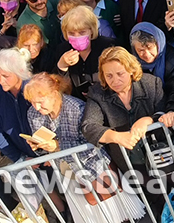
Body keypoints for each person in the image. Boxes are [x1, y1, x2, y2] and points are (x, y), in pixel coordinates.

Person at [24, 71, 147, 223]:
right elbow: (43, 145)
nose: (36, 107)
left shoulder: (77, 108)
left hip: (92, 167)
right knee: (88, 217)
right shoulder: (32, 113)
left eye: (40, 101)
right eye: (32, 102)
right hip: (66, 172)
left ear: (54, 93)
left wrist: (57, 146)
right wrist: (38, 146)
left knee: (116, 214)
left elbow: (91, 142)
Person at [80, 47, 174, 218]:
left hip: (160, 154)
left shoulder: (150, 83)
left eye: (120, 74)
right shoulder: (97, 93)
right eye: (109, 76)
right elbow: (89, 126)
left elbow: (164, 111)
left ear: (131, 70)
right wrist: (117, 137)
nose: (115, 80)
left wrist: (148, 120)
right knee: (153, 201)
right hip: (130, 160)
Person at [0, 48, 37, 166]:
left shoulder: (36, 89)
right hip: (24, 159)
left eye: (6, 76)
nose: (0, 80)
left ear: (20, 72)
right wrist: (19, 158)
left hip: (50, 154)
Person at [56, 5, 117, 100]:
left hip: (105, 100)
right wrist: (62, 66)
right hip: (75, 102)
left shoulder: (108, 47)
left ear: (91, 31)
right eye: (71, 33)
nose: (77, 37)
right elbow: (58, 87)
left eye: (82, 32)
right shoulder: (62, 49)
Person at [130, 22, 174, 101]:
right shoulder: (131, 62)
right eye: (141, 50)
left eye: (150, 48)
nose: (147, 54)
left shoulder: (172, 60)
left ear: (158, 44)